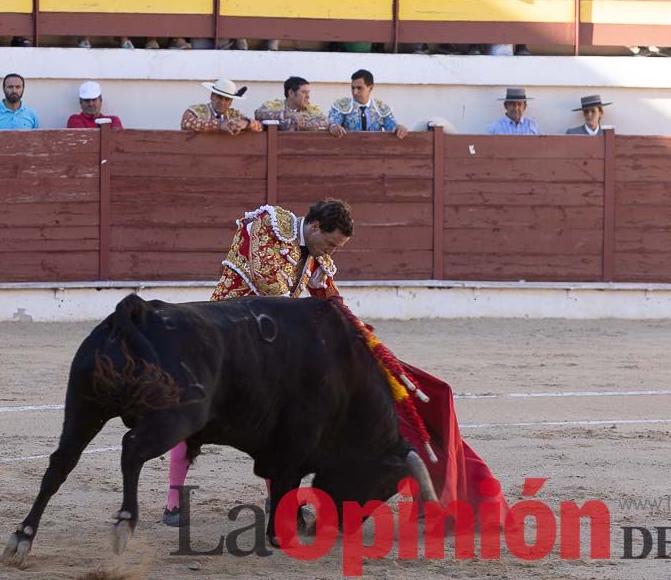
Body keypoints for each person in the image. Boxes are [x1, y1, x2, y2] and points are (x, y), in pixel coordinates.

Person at [162, 198, 508, 528]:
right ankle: (173, 501)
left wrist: (362, 339)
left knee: (278, 423)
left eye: (335, 248)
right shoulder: (268, 225)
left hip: (269, 350)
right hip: (224, 335)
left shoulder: (317, 259)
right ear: (312, 225)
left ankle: (278, 504)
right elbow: (270, 285)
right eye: (328, 244)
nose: (329, 252)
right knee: (195, 415)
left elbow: (333, 304)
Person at [328, 69, 408, 138]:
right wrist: (333, 127)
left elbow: (392, 126)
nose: (355, 92)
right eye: (353, 88)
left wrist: (399, 128)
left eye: (359, 88)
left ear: (370, 88)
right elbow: (332, 122)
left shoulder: (381, 108)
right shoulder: (341, 106)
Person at [180, 77, 261, 133]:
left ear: (231, 102)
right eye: (219, 97)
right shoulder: (196, 111)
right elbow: (186, 123)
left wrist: (246, 124)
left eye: (227, 99)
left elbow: (260, 127)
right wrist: (220, 125)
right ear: (211, 96)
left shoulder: (234, 114)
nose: (222, 102)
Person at [253, 75, 327, 131]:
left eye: (308, 92)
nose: (308, 96)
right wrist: (287, 114)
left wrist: (302, 124)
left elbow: (326, 122)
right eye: (303, 92)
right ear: (291, 93)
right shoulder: (274, 105)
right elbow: (258, 114)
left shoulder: (312, 109)